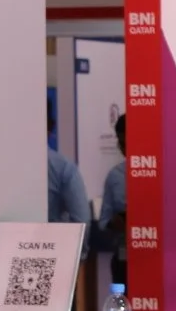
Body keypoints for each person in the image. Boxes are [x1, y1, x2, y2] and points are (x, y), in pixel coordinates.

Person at [45, 106, 91, 236]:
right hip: (52, 249)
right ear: (51, 126)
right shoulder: (62, 167)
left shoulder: (0, 162)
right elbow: (82, 222)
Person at [98, 114, 128, 284]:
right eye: (122, 144)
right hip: (125, 259)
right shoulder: (115, 176)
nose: (125, 150)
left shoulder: (166, 172)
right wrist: (113, 223)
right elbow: (103, 221)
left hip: (160, 258)